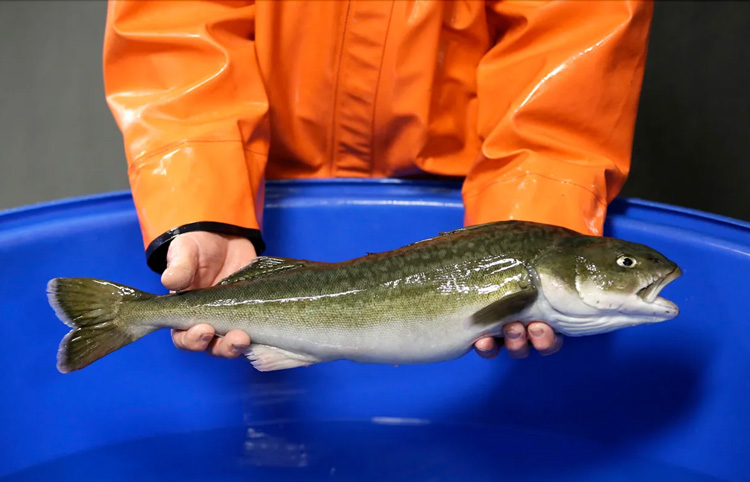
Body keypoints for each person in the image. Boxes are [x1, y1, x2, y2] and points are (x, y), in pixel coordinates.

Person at [102, 0, 653, 363]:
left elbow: (571, 35)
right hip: (258, 181)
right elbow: (173, 26)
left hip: (465, 186)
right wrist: (204, 201)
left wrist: (533, 218)